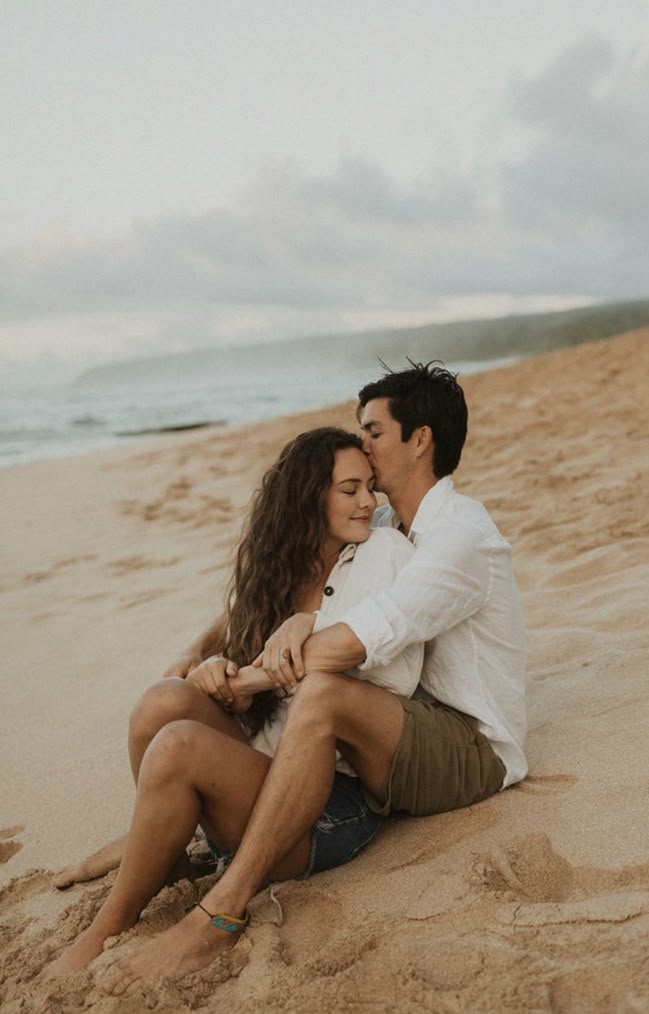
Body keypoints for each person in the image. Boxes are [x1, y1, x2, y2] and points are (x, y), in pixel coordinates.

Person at [97, 360, 527, 996]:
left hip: (468, 744)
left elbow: (363, 638)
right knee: (167, 702)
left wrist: (243, 679)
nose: (365, 448)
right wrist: (199, 655)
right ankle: (153, 842)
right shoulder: (383, 522)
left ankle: (224, 907)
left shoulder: (457, 537)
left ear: (420, 440)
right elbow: (312, 583)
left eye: (373, 432)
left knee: (321, 692)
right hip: (390, 726)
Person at [44, 427, 422, 978]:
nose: (369, 501)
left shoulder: (381, 551)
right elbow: (239, 634)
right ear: (307, 498)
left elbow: (392, 665)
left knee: (177, 748)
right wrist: (212, 661)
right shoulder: (284, 570)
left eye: (369, 487)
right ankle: (168, 859)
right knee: (160, 703)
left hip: (328, 808)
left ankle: (106, 929)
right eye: (350, 489)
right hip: (265, 768)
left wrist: (295, 640)